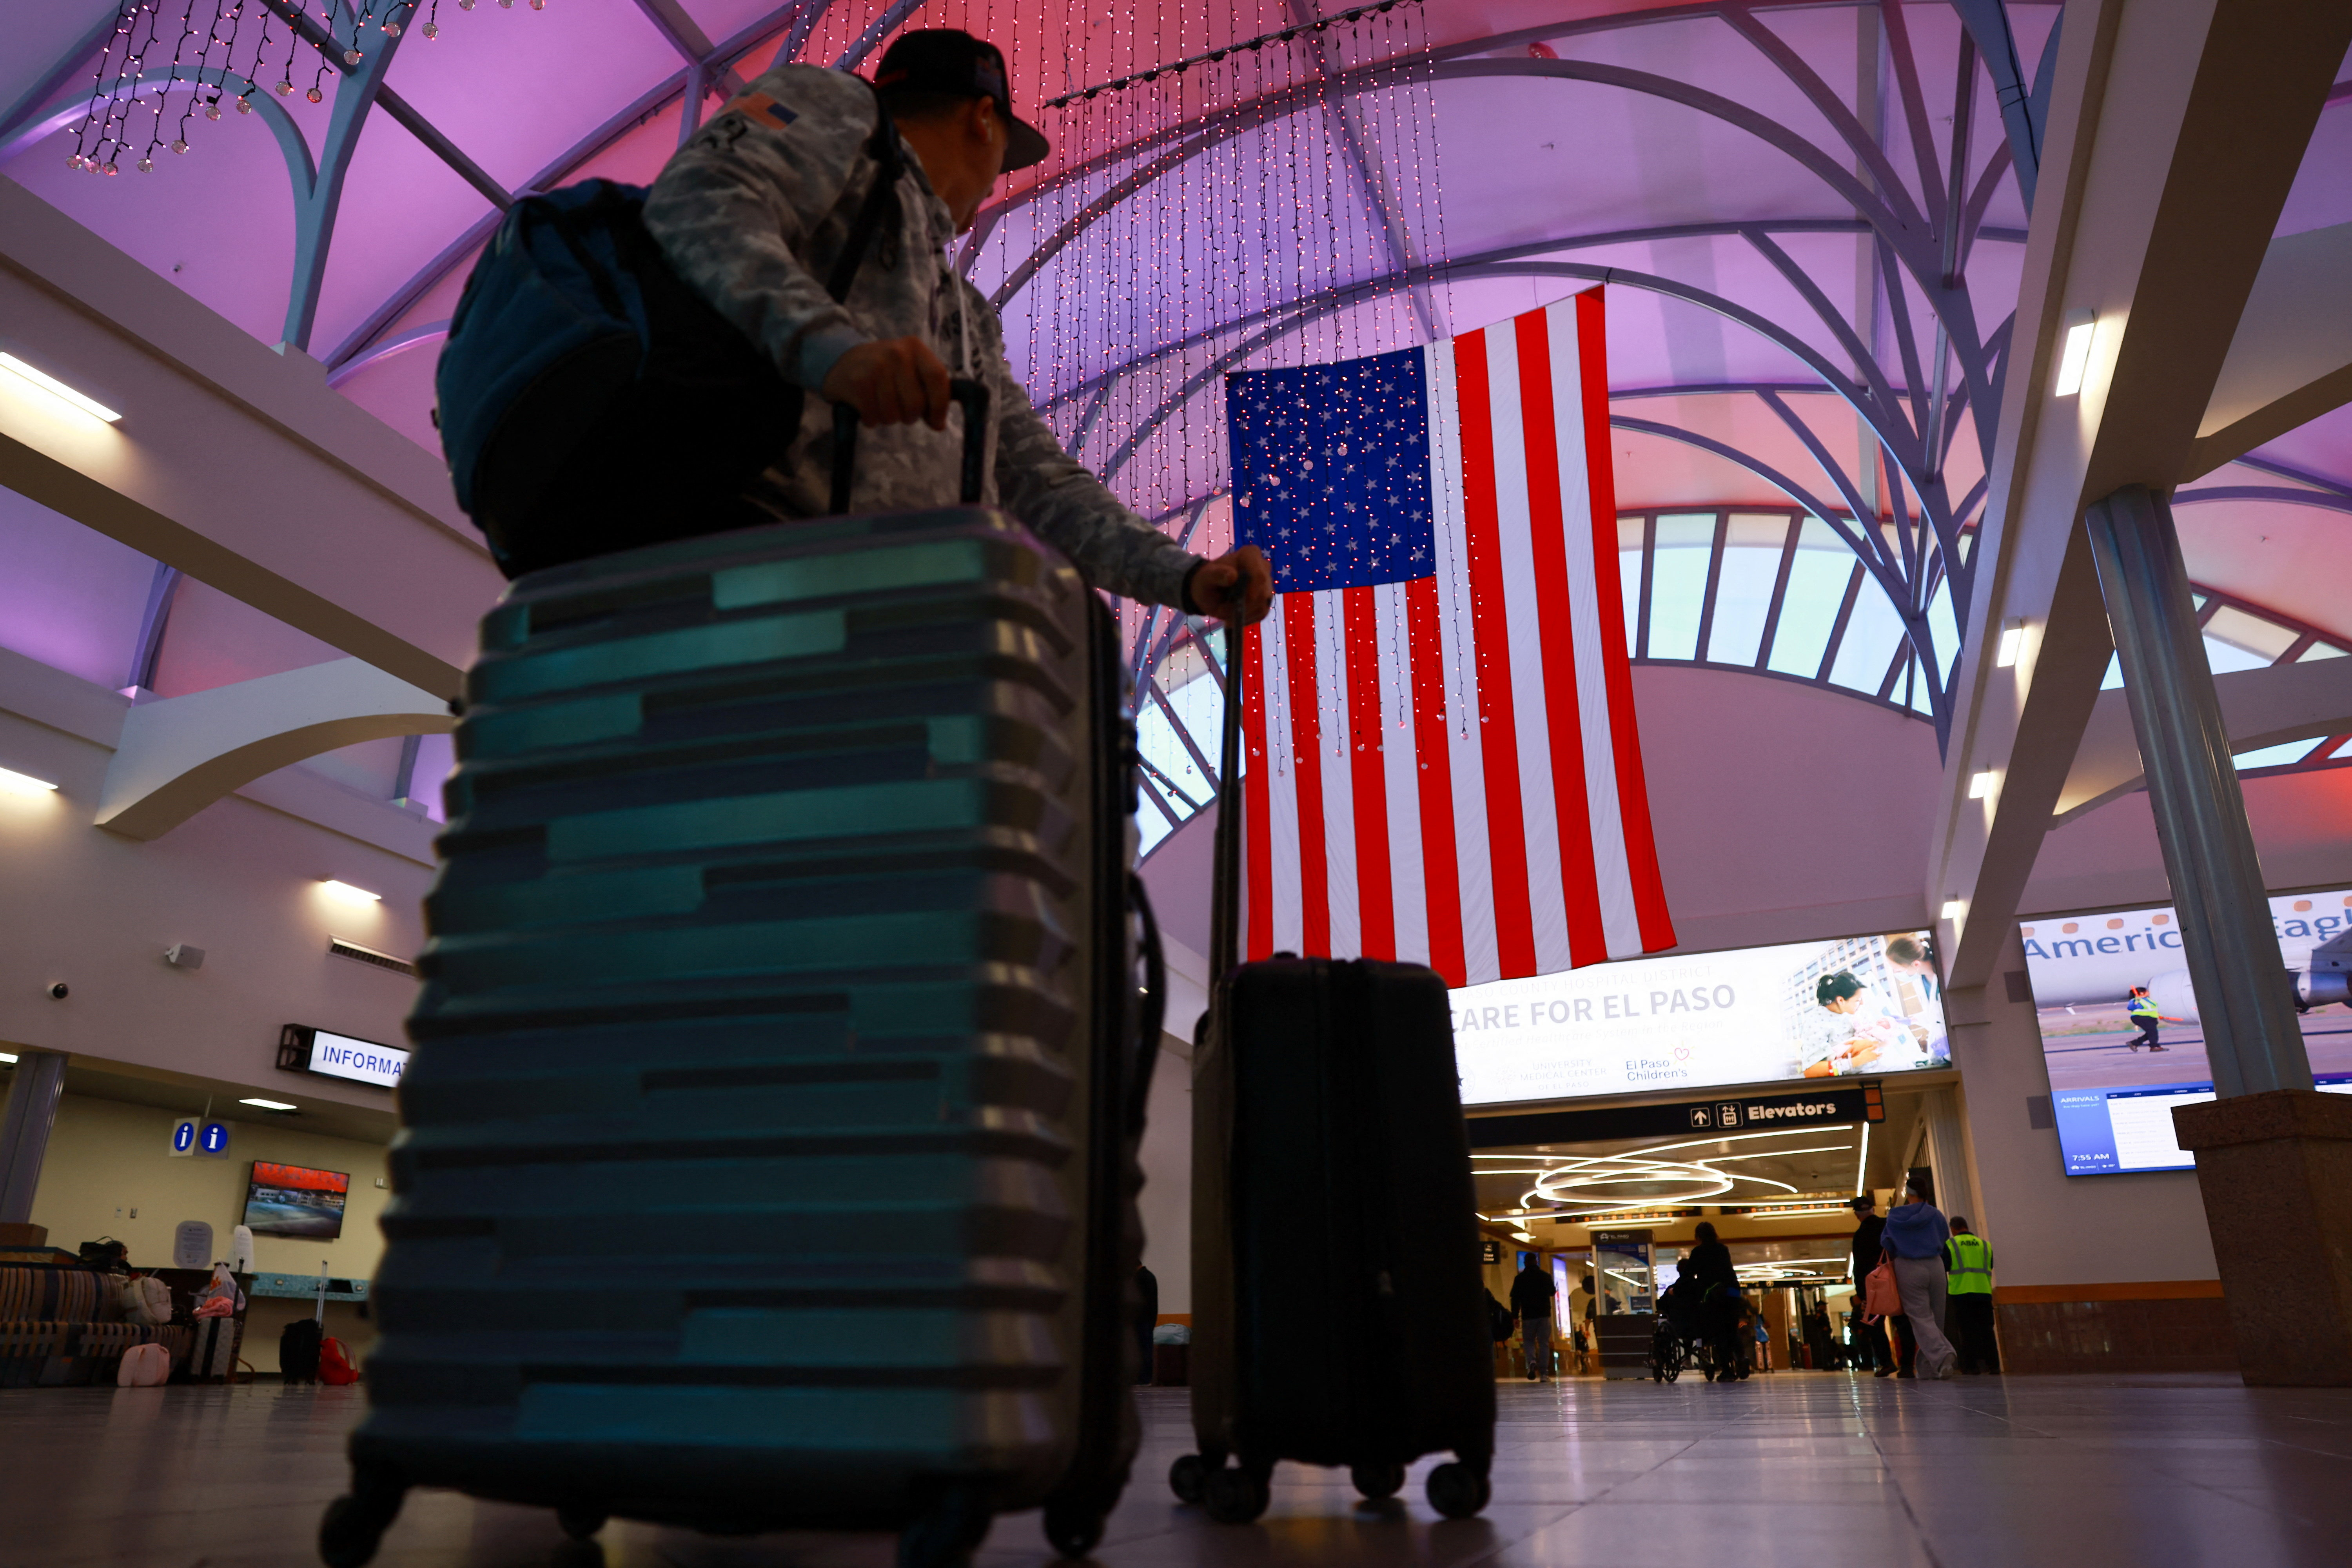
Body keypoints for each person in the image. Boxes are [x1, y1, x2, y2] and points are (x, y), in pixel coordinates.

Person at [641, 29, 1272, 624]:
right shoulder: (831, 103)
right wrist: (833, 350)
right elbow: (696, 197)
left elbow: (1035, 479)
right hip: (755, 575)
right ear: (984, 120)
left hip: (887, 625)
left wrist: (1185, 576)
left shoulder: (964, 315)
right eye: (1005, 155)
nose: (1000, 176)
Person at [1879, 1182, 1958, 1379]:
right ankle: (1932, 1367)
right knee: (1936, 1318)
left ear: (1909, 1194)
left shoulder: (1895, 1217)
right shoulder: (1936, 1215)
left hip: (1908, 1267)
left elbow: (1886, 1242)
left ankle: (1940, 1357)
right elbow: (1943, 1239)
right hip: (1935, 1264)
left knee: (1921, 1318)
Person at [1944, 1218, 2000, 1374]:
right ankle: (1994, 1366)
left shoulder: (1951, 1244)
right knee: (1987, 1331)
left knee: (1967, 1332)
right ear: (1966, 1227)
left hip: (1961, 1294)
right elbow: (1990, 1265)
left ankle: (1972, 1367)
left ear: (1953, 1229)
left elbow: (1946, 1266)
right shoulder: (1985, 1245)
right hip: (1983, 1293)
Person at [1847, 1195, 1893, 1376]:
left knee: (1874, 1323)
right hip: (1897, 1279)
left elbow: (1860, 1268)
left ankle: (1887, 1362)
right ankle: (1909, 1364)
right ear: (1873, 1209)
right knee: (1905, 1321)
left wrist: (1862, 1294)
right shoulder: (1888, 1226)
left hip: (1874, 1286)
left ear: (1857, 1215)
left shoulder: (1860, 1236)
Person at [1509, 1256, 1557, 1380]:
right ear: (1536, 1262)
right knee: (1544, 1344)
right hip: (1544, 1315)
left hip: (1528, 1316)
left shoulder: (1520, 1279)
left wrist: (1515, 1316)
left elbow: (1515, 1299)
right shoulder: (1545, 1276)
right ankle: (1544, 1374)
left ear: (1525, 1263)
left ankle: (1531, 1361)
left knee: (1529, 1341)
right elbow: (1552, 1292)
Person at [2125, 986, 2176, 1052]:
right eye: (2146, 991)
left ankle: (2134, 1043)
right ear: (2142, 993)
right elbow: (2130, 1008)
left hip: (2151, 1018)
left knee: (2151, 1033)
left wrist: (2159, 1015)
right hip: (2141, 1018)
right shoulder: (2136, 1000)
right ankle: (2154, 1046)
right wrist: (2136, 1002)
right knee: (2153, 1032)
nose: (2148, 992)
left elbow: (2152, 1010)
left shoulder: (2148, 1000)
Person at [1134, 1264, 1158, 1385]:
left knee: (1143, 1351)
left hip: (1142, 1320)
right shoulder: (1149, 1277)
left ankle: (1143, 1378)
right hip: (1148, 1320)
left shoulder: (1142, 1278)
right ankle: (1145, 1379)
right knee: (1146, 1350)